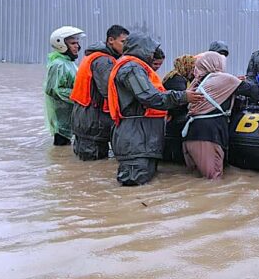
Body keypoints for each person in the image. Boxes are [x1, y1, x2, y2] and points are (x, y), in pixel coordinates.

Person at [107, 33, 199, 186]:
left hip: (143, 139)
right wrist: (183, 97)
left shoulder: (136, 68)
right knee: (133, 185)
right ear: (141, 49)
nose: (152, 54)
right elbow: (150, 97)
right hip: (136, 139)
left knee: (144, 185)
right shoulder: (131, 68)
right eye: (150, 50)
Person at [182, 52, 259, 180]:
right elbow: (253, 91)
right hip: (208, 136)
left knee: (195, 179)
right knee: (213, 181)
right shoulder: (224, 79)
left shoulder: (199, 81)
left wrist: (236, 80)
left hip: (191, 134)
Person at [70, 24, 129, 160]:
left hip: (83, 119)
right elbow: (110, 92)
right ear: (110, 40)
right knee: (93, 167)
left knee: (84, 167)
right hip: (93, 122)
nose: (126, 46)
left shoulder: (94, 56)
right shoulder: (104, 61)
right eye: (123, 42)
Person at [45, 26, 84, 146]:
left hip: (69, 115)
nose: (77, 46)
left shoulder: (68, 63)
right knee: (61, 149)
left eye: (77, 43)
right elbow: (54, 90)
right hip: (61, 117)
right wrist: (80, 97)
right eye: (73, 43)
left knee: (66, 148)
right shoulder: (59, 64)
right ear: (61, 44)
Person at [162, 55, 197, 164]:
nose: (194, 71)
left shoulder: (177, 77)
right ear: (186, 66)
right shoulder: (177, 79)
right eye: (193, 68)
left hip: (171, 118)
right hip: (175, 119)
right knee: (176, 147)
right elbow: (180, 101)